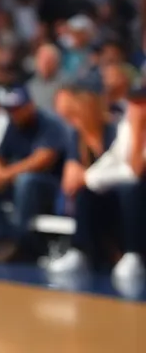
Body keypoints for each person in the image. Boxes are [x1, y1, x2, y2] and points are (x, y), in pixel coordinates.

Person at [47, 82, 146, 287]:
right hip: (126, 191)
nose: (137, 108)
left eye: (142, 103)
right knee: (87, 191)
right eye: (134, 103)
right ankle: (79, 252)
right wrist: (87, 178)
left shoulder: (127, 127)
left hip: (139, 189)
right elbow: (113, 159)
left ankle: (133, 255)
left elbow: (134, 171)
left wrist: (89, 177)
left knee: (130, 188)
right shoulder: (126, 127)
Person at [0, 84, 68, 262]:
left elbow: (43, 159)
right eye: (9, 109)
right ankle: (3, 238)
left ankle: (21, 241)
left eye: (17, 108)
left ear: (29, 105)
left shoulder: (49, 123)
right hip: (20, 183)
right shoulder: (13, 125)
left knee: (26, 180)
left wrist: (5, 174)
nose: (13, 113)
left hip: (51, 186)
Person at [27, 42, 63, 112]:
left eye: (48, 60)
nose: (44, 64)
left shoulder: (66, 85)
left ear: (56, 63)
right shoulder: (30, 86)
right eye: (41, 59)